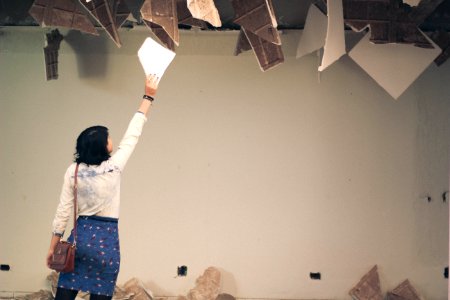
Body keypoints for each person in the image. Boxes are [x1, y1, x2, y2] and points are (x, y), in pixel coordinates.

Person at [46, 75, 159, 300]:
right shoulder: (113, 168)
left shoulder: (74, 171)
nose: (112, 139)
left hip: (80, 243)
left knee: (65, 296)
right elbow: (133, 133)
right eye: (108, 138)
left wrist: (53, 247)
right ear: (104, 147)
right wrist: (148, 96)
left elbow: (62, 212)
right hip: (106, 247)